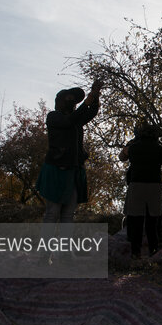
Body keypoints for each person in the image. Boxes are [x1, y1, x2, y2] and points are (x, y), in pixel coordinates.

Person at [35, 81, 102, 260]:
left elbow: (90, 113)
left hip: (72, 171)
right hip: (56, 170)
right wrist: (86, 102)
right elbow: (70, 120)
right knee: (52, 214)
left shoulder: (75, 119)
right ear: (60, 101)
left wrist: (95, 96)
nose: (73, 103)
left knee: (68, 215)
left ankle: (64, 254)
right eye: (69, 100)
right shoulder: (54, 117)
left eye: (74, 101)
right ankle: (44, 254)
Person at [119, 122, 162, 259]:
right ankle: (154, 252)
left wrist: (128, 147)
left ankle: (136, 254)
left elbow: (121, 157)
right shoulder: (159, 148)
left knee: (135, 223)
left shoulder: (132, 148)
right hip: (155, 187)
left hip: (136, 187)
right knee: (153, 223)